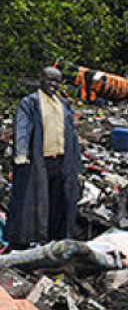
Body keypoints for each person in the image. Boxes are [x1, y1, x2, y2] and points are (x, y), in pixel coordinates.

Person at [9, 67, 83, 247]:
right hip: (39, 161)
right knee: (33, 201)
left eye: (57, 81)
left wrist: (77, 162)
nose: (53, 84)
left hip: (61, 161)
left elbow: (72, 134)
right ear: (41, 79)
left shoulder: (63, 104)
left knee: (58, 201)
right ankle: (26, 241)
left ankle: (55, 240)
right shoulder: (30, 103)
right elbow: (22, 128)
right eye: (50, 80)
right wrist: (21, 152)